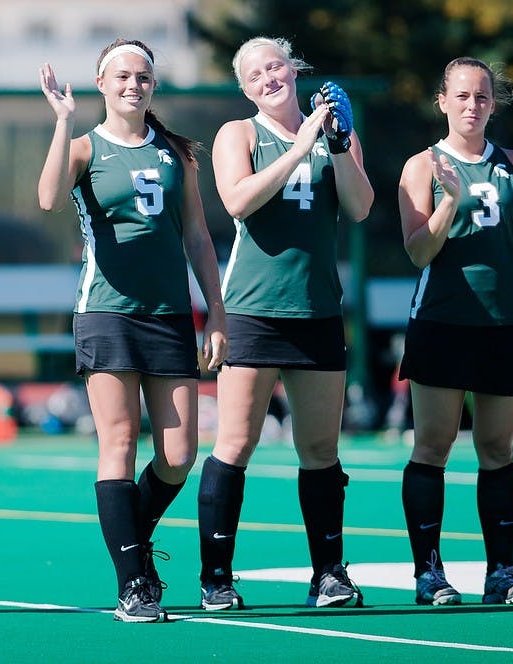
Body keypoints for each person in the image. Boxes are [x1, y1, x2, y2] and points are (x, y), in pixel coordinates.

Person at [38, 38, 228, 623]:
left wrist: (215, 312)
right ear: (102, 83)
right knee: (118, 443)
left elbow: (196, 235)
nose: (133, 85)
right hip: (106, 311)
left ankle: (131, 535)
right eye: (121, 76)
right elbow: (47, 198)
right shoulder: (82, 148)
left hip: (169, 315)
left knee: (178, 454)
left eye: (143, 76)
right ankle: (133, 584)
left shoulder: (176, 152)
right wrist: (63, 121)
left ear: (153, 85)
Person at [198, 36, 374, 610]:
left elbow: (360, 206)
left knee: (321, 449)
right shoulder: (239, 133)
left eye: (276, 66)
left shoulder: (331, 129)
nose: (269, 78)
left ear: (293, 69)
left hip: (318, 309)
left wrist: (340, 143)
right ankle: (216, 578)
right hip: (253, 308)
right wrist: (300, 146)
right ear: (245, 86)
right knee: (236, 443)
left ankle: (329, 573)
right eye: (255, 74)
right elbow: (238, 201)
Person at [397, 57, 513, 605]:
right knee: (434, 446)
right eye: (462, 96)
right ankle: (429, 574)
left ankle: (501, 572)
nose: (472, 106)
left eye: (482, 96)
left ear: (494, 103)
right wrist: (448, 202)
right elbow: (418, 251)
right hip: (442, 324)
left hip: (505, 324)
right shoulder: (422, 165)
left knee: (498, 449)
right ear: (442, 101)